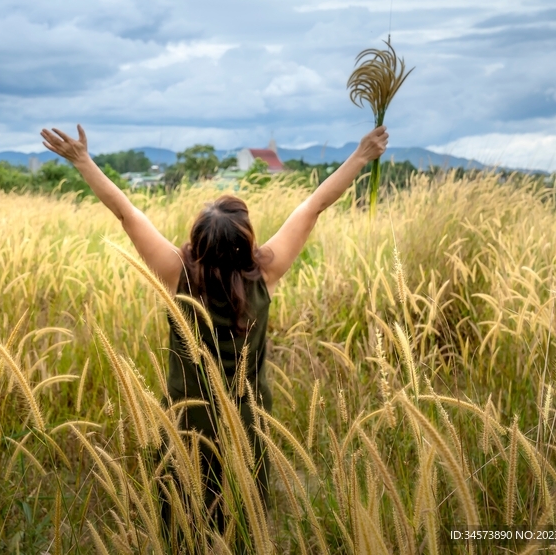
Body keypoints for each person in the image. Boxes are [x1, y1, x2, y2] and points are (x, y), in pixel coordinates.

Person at [39, 123, 389, 544]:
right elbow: (313, 206)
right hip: (248, 427)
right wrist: (361, 156)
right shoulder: (266, 275)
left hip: (186, 428)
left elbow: (126, 213)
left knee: (181, 531)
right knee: (244, 528)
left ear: (197, 242)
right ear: (246, 243)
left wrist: (82, 161)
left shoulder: (176, 276)